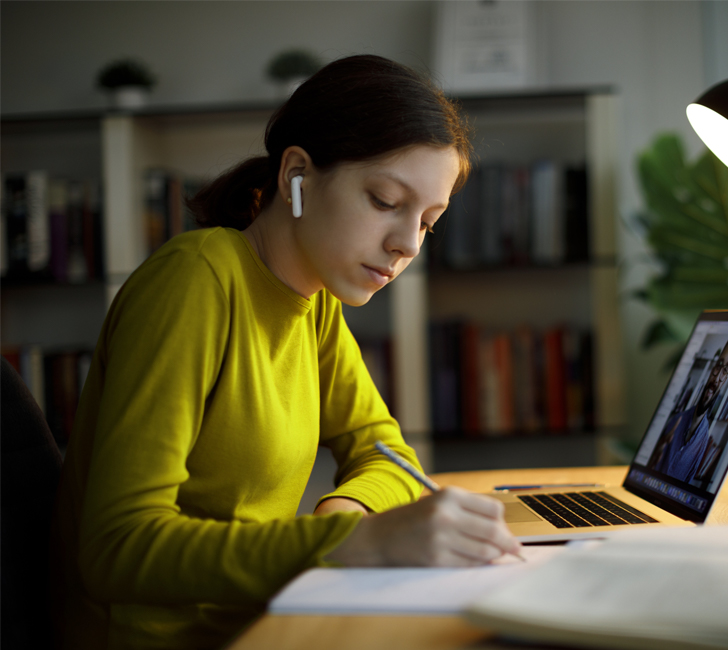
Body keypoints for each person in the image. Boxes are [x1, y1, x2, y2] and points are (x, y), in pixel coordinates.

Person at [50, 55, 522, 650]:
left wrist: (345, 513)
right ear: (297, 173)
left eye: (428, 222)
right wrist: (357, 545)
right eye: (384, 201)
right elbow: (116, 549)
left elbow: (387, 452)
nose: (406, 244)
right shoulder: (196, 282)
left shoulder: (315, 297)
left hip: (270, 620)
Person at [651, 336, 728, 484]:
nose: (717, 376)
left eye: (725, 370)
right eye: (719, 365)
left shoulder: (703, 441)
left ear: (726, 379)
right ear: (712, 367)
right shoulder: (676, 420)